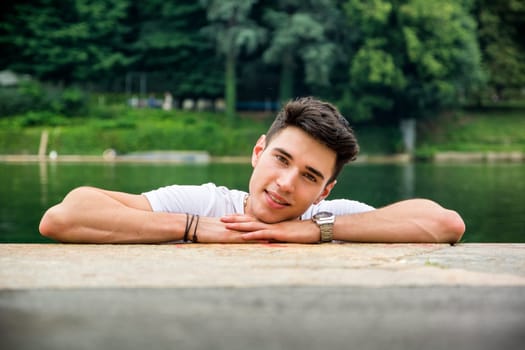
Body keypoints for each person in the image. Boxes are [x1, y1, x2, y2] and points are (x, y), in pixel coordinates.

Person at [39, 97, 465, 244]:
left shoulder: (326, 217)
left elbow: (445, 223)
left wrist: (315, 231)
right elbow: (64, 216)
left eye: (310, 176)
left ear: (325, 191)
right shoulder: (205, 203)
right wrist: (196, 228)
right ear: (258, 151)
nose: (286, 183)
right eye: (281, 160)